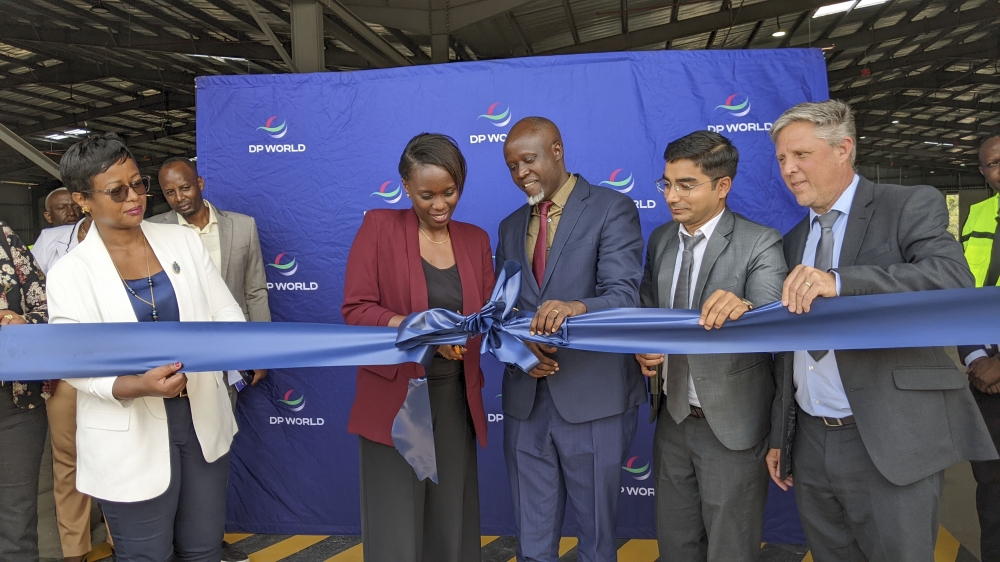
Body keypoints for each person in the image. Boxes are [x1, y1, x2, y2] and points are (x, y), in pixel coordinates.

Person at [766, 100, 997, 562]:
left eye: (800, 156)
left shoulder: (908, 203)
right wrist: (780, 434)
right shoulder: (792, 239)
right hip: (811, 440)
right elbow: (786, 347)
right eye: (781, 159)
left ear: (843, 149)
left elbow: (951, 278)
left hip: (891, 438)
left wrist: (842, 281)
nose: (788, 169)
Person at [46, 133, 246, 562]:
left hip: (201, 421)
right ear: (83, 200)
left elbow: (228, 317)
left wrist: (220, 356)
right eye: (117, 192)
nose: (134, 197)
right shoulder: (70, 273)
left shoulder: (183, 242)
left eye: (138, 184)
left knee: (204, 551)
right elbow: (74, 362)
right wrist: (136, 385)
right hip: (126, 433)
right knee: (144, 555)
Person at [495, 117, 645, 562]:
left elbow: (624, 294)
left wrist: (575, 308)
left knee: (597, 541)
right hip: (526, 401)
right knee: (532, 542)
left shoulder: (610, 208)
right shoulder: (507, 226)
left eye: (529, 160)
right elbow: (500, 310)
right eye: (512, 166)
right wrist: (518, 349)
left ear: (556, 151)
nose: (522, 172)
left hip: (593, 399)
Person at [342, 133, 494, 562]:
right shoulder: (378, 228)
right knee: (396, 524)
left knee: (451, 521)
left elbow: (480, 318)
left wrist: (469, 336)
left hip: (454, 400)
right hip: (394, 399)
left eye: (450, 192)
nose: (440, 204)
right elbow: (356, 309)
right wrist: (421, 330)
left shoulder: (475, 239)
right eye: (427, 195)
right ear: (405, 187)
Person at [635, 131, 786, 562]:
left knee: (730, 548)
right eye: (666, 183)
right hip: (671, 419)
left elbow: (775, 316)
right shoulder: (662, 240)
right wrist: (643, 349)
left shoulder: (760, 241)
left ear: (723, 186)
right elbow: (649, 312)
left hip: (731, 426)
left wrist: (748, 305)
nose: (671, 196)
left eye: (686, 185)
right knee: (676, 545)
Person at [957, 132, 1000, 561]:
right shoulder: (978, 215)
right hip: (984, 379)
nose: (997, 169)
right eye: (990, 164)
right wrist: (976, 357)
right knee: (991, 493)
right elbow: (960, 290)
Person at [0, 220, 51, 562]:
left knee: (17, 524)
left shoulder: (5, 238)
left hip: (14, 405)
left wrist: (23, 322)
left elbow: (49, 309)